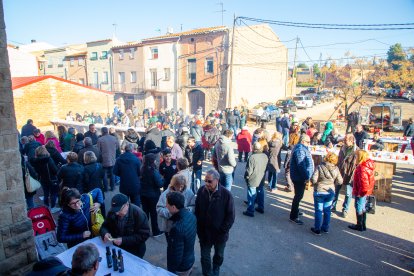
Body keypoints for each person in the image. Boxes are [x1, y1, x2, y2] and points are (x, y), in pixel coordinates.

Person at [195, 169, 235, 276]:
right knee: (204, 256)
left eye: (209, 181)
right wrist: (199, 229)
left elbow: (230, 216)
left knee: (219, 255)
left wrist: (222, 230)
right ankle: (207, 273)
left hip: (220, 234)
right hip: (204, 233)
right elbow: (197, 211)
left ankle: (216, 268)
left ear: (217, 180)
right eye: (205, 181)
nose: (206, 183)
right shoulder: (201, 191)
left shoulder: (226, 195)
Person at [100, 193, 150, 258]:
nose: (117, 213)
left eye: (119, 210)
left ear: (127, 205)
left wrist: (123, 240)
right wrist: (105, 233)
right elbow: (104, 226)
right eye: (115, 210)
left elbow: (144, 235)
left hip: (135, 251)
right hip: (118, 248)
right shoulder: (113, 211)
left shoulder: (139, 214)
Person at [310, 152, 343, 235]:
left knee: (318, 210)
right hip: (330, 191)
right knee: (327, 211)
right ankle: (325, 228)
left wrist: (316, 184)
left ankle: (317, 228)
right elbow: (340, 181)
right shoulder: (336, 169)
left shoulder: (320, 167)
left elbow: (313, 179)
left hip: (320, 190)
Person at [166, 192, 197, 275]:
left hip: (181, 268)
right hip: (190, 259)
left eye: (167, 204)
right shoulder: (191, 216)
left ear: (173, 207)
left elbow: (176, 255)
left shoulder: (177, 228)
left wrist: (171, 271)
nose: (166, 206)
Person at [157, 174, 195, 238]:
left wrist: (186, 211)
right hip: (170, 227)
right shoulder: (165, 194)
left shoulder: (189, 193)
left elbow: (193, 206)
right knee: (171, 246)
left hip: (185, 225)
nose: (180, 189)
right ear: (173, 185)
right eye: (178, 186)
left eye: (181, 186)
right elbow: (159, 208)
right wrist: (170, 213)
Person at [332, 134, 359, 218]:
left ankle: (345, 209)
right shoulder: (342, 148)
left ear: (352, 141)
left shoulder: (357, 151)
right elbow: (339, 159)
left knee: (348, 193)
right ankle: (333, 206)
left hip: (349, 174)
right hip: (340, 172)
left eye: (346, 140)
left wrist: (353, 175)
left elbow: (356, 164)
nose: (344, 141)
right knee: (336, 190)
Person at [289, 134, 314, 225]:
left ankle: (296, 210)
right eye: (308, 142)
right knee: (298, 196)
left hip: (300, 176)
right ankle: (293, 216)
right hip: (299, 177)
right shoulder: (300, 150)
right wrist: (306, 176)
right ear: (303, 141)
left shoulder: (302, 148)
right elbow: (301, 165)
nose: (309, 144)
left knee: (299, 196)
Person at [348, 150, 375, 232]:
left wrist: (361, 193)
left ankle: (359, 225)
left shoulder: (362, 168)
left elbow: (364, 183)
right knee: (362, 207)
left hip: (361, 191)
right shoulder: (367, 165)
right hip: (365, 191)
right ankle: (363, 225)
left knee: (359, 207)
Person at [140, 153, 164, 237]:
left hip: (143, 194)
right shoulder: (154, 171)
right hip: (153, 196)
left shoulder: (142, 169)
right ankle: (155, 231)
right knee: (153, 214)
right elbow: (160, 184)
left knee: (145, 213)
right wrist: (163, 180)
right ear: (153, 161)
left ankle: (144, 231)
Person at [31, 146, 60, 212]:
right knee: (53, 193)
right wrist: (58, 167)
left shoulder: (35, 161)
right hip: (52, 179)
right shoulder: (48, 159)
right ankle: (53, 207)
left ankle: (46, 206)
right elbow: (55, 170)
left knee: (46, 193)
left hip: (42, 179)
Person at [243, 142, 268, 217]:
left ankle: (250, 210)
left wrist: (246, 177)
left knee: (251, 194)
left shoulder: (252, 157)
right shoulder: (265, 156)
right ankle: (261, 207)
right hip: (261, 177)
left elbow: (249, 170)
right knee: (260, 191)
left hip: (253, 178)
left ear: (253, 148)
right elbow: (266, 167)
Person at [97, 127, 119, 191]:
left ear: (102, 132)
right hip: (112, 158)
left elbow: (98, 150)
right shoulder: (114, 138)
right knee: (112, 174)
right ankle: (113, 187)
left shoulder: (100, 139)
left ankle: (106, 188)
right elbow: (117, 147)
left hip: (104, 159)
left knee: (105, 174)